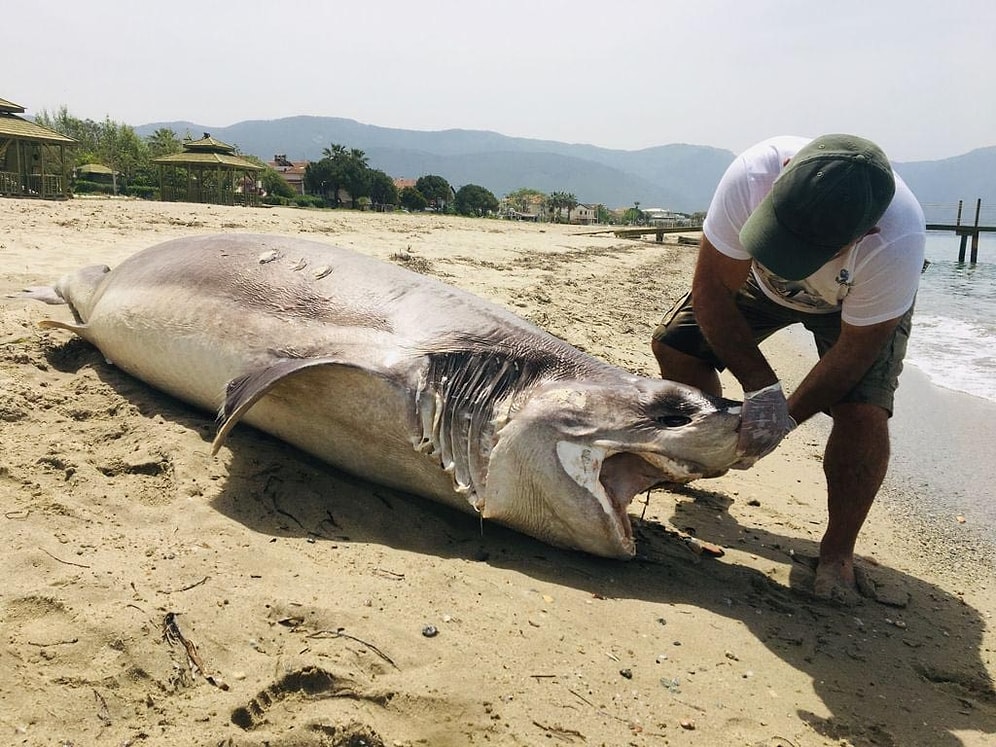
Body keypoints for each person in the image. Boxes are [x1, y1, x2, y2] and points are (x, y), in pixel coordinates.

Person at [651, 134, 925, 603]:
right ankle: (704, 462)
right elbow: (713, 290)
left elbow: (854, 354)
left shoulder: (897, 242)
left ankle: (838, 551)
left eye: (804, 248)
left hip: (847, 304)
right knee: (675, 349)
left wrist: (784, 418)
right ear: (784, 173)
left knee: (862, 411)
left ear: (866, 234)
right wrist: (760, 388)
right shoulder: (751, 174)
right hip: (755, 286)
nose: (786, 255)